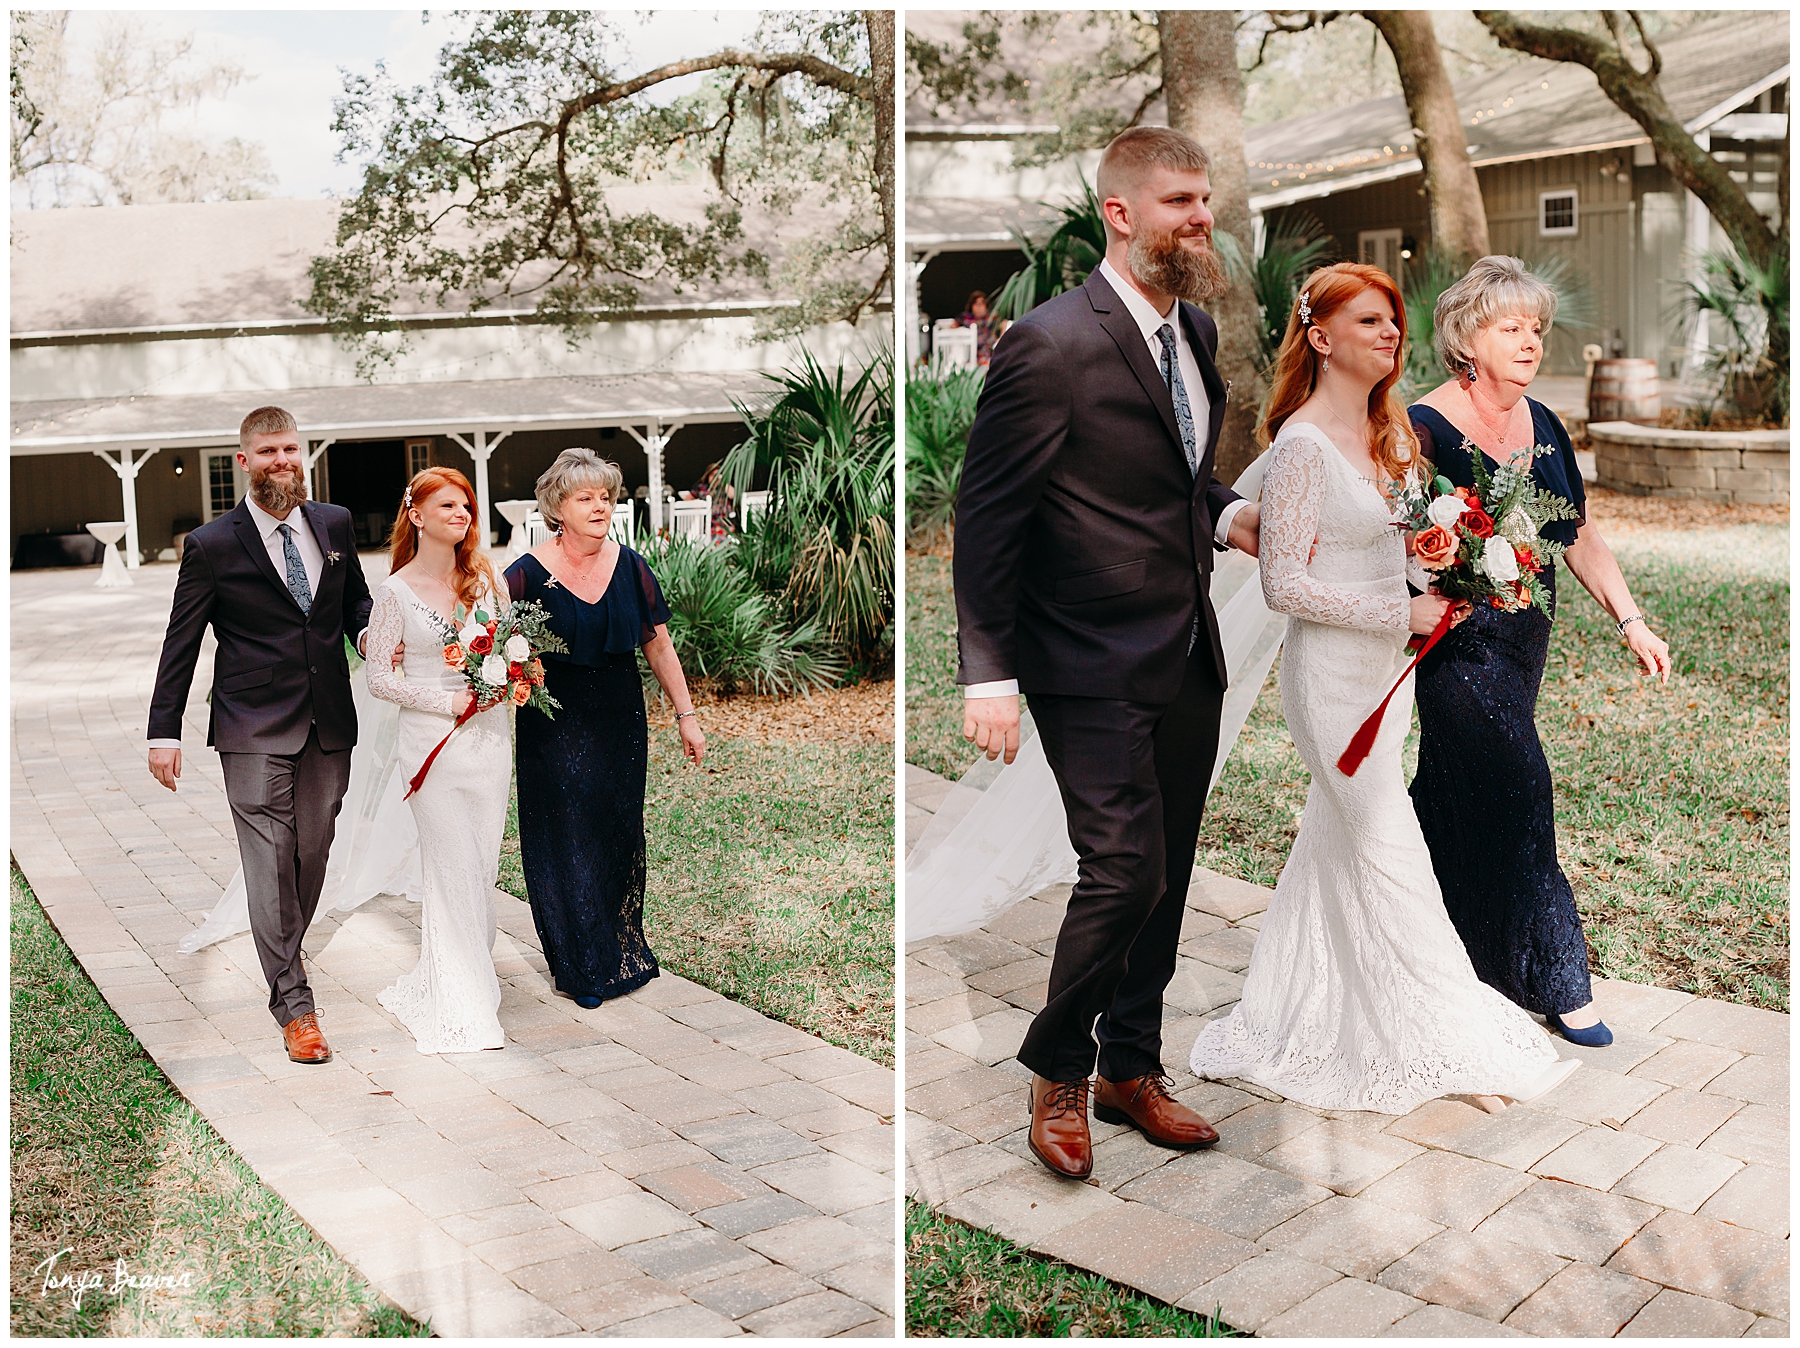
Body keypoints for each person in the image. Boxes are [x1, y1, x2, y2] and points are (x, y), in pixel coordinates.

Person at [1188, 263, 1579, 1115]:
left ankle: (1298, 1005)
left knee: (1335, 842)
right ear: (1321, 337)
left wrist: (1463, 560)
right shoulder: (1298, 448)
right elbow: (1284, 585)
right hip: (1331, 682)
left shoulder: (1390, 434)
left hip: (1387, 681)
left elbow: (1407, 540)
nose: (1390, 334)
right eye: (1370, 321)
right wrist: (1399, 608)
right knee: (1390, 849)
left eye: (1393, 320)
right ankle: (1445, 1038)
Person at [956, 126, 1262, 1179]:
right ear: (1120, 213)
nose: (1200, 217)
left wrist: (1228, 519)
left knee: (1167, 875)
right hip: (1079, 655)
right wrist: (987, 671)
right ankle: (1057, 1067)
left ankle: (1134, 1067)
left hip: (1186, 648)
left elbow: (1170, 480)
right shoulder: (1048, 343)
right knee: (1124, 867)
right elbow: (989, 520)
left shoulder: (1199, 333)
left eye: (1206, 199)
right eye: (1180, 200)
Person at [1408, 257, 1672, 1048]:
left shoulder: (1546, 422)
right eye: (1509, 327)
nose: (1529, 341)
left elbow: (1578, 533)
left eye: (1535, 327)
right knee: (1523, 788)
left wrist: (1631, 621)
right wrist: (1406, 604)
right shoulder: (1422, 427)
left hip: (1525, 639)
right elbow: (1376, 538)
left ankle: (1432, 953)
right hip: (1456, 644)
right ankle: (1560, 981)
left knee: (1454, 800)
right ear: (1467, 337)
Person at [147, 405, 374, 1065]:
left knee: (312, 851)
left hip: (328, 718)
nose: (282, 461)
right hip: (249, 725)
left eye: (290, 450)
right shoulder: (213, 545)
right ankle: (294, 1006)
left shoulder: (333, 525)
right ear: (244, 461)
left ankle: (281, 948)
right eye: (267, 452)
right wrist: (164, 731)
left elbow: (354, 598)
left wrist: (366, 632)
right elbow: (180, 643)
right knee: (269, 858)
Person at [504, 449, 706, 1009]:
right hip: (552, 726)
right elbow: (493, 647)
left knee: (617, 833)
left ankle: (618, 945)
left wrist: (686, 714)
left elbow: (658, 644)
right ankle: (579, 963)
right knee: (564, 840)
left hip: (620, 719)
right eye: (585, 497)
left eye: (607, 497)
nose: (600, 507)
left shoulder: (632, 566)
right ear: (557, 507)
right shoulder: (523, 575)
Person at [361, 469, 511, 1053]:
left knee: (479, 864)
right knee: (449, 867)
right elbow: (379, 676)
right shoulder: (394, 591)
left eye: (468, 505)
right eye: (449, 504)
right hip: (432, 744)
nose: (463, 514)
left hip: (490, 741)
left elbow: (508, 645)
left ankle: (464, 968)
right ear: (417, 515)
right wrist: (445, 700)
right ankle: (467, 1002)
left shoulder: (484, 578)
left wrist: (512, 679)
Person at [959, 290, 998, 365]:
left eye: (982, 304)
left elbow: (1003, 323)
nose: (979, 307)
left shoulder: (991, 318)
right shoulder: (965, 318)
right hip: (969, 353)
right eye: (976, 304)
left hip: (988, 350)